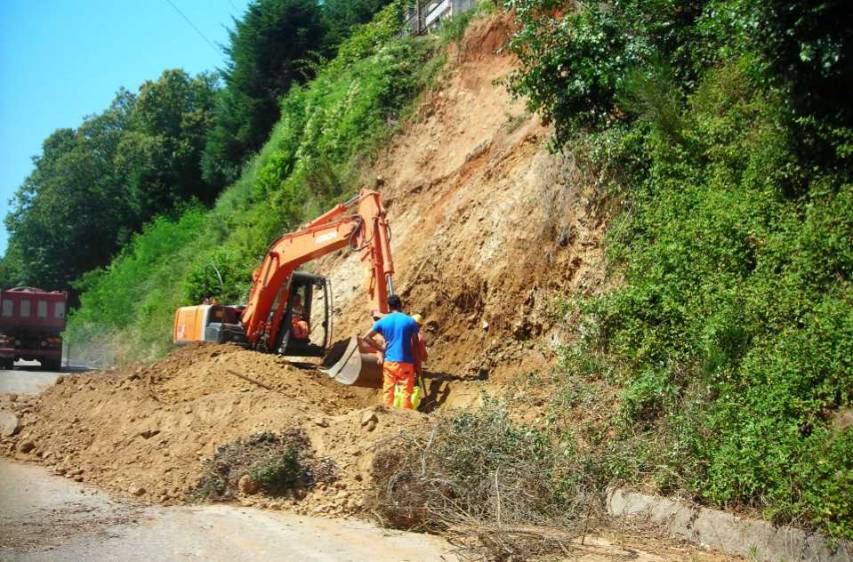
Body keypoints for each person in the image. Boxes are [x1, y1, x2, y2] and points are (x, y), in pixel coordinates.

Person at [364, 295, 420, 409]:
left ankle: (387, 415)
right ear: (400, 305)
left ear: (389, 307)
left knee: (388, 390)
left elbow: (366, 337)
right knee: (406, 391)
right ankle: (406, 416)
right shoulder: (410, 321)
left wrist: (381, 349)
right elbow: (415, 343)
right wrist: (416, 361)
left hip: (389, 362)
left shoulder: (383, 321)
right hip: (406, 362)